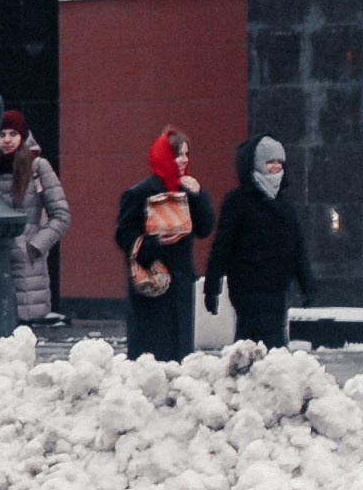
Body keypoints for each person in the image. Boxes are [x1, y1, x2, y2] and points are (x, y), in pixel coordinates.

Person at [114, 127, 215, 360]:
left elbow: (205, 228)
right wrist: (155, 242)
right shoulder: (140, 193)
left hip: (181, 285)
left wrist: (199, 196)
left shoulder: (187, 191)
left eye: (186, 154)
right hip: (152, 283)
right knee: (153, 355)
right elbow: (124, 235)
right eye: (178, 155)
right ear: (164, 157)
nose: (184, 160)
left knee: (181, 353)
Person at [205, 137, 312, 351]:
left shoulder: (285, 205)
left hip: (277, 287)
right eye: (270, 161)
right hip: (247, 286)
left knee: (274, 343)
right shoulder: (237, 202)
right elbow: (222, 247)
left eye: (280, 161)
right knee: (252, 343)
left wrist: (307, 286)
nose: (276, 166)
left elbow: (297, 248)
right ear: (257, 164)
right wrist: (212, 288)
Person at [0, 109, 70, 329]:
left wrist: (35, 247)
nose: (7, 140)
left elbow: (61, 215)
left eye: (13, 134)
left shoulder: (37, 166)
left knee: (27, 334)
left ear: (23, 136)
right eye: (1, 134)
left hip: (29, 269)